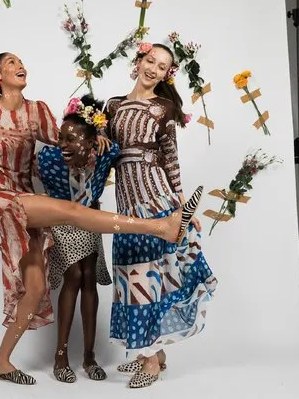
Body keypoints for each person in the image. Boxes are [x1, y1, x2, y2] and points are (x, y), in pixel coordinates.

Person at [0, 52, 204, 386]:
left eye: (22, 62)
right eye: (11, 64)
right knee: (77, 217)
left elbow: (65, 137)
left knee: (35, 290)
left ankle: (1, 362)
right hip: (1, 197)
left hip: (30, 199)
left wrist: (94, 136)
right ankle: (161, 228)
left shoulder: (38, 111)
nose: (21, 66)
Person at [101, 43, 218, 388]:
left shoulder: (163, 108)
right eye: (150, 60)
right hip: (126, 205)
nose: (154, 68)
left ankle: (150, 360)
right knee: (130, 278)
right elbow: (104, 154)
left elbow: (171, 160)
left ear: (168, 74)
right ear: (139, 61)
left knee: (150, 278)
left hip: (154, 201)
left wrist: (181, 206)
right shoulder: (113, 106)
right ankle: (151, 351)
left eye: (162, 66)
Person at [35, 94, 119, 383]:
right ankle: (61, 355)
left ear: (91, 139)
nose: (63, 145)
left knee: (88, 279)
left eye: (71, 139)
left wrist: (103, 135)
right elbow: (34, 183)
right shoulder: (48, 158)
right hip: (63, 221)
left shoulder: (106, 152)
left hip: (90, 220)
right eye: (61, 138)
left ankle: (89, 356)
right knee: (74, 274)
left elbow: (117, 147)